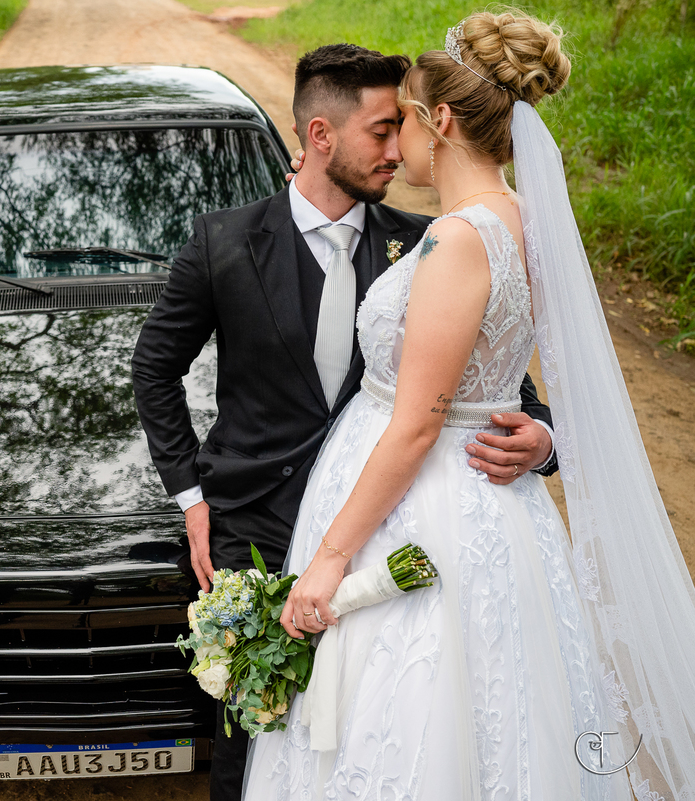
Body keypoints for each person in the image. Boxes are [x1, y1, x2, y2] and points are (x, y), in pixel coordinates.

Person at [242, 10, 695, 799]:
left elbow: (418, 421)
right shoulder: (518, 220)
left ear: (440, 120)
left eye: (405, 121)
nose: (395, 145)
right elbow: (498, 374)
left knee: (412, 716)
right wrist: (544, 438)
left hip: (428, 514)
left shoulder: (459, 240)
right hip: (492, 508)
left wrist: (329, 559)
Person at [131, 43, 558, 801]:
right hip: (254, 530)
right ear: (320, 136)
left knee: (370, 735)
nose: (398, 149)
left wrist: (545, 438)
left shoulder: (423, 240)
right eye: (381, 130)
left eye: (404, 127)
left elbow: (487, 373)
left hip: (383, 534)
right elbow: (153, 371)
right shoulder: (222, 241)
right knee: (255, 738)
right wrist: (193, 502)